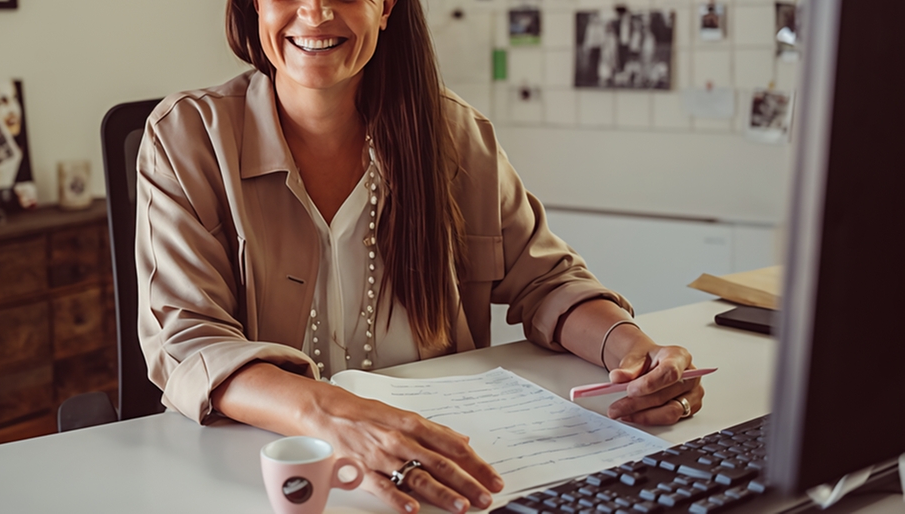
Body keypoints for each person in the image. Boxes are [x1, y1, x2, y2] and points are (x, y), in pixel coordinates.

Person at [134, 1, 706, 513]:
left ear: (385, 7)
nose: (314, 13)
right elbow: (189, 342)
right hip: (255, 478)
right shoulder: (186, 137)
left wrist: (635, 354)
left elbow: (549, 281)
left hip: (439, 472)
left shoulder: (454, 133)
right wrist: (332, 416)